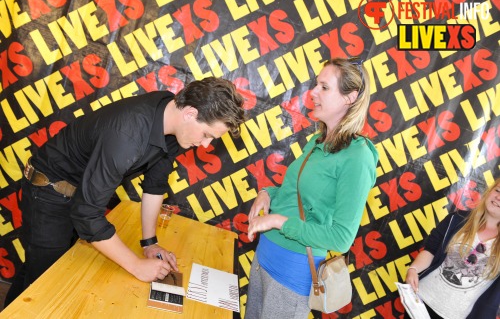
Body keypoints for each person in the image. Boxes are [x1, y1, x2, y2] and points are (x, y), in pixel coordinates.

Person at [4, 77, 245, 306]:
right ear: (190, 113)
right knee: (45, 282)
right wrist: (136, 266)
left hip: (80, 192)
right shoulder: (128, 133)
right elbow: (87, 214)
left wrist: (150, 243)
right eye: (206, 135)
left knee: (39, 270)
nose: (205, 145)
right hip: (48, 191)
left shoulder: (170, 117)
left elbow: (155, 183)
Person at [245, 58, 379, 318]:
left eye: (324, 87)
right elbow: (296, 195)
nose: (313, 92)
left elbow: (340, 238)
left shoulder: (358, 157)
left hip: (291, 277)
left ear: (349, 98)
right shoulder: (318, 140)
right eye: (316, 84)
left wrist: (278, 221)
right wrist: (266, 194)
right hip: (263, 259)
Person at [405, 178, 500, 319]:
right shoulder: (457, 219)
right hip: (419, 303)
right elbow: (430, 250)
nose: (498, 197)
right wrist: (413, 269)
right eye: (497, 190)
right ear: (489, 191)